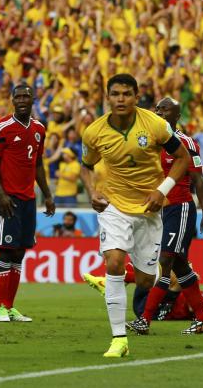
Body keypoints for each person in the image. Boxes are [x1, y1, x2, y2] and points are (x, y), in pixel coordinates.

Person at [79, 73, 192, 358]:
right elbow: (86, 166)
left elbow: (183, 159)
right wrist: (92, 191)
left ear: (136, 96)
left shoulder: (155, 125)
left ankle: (130, 278)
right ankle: (119, 339)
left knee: (145, 281)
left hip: (149, 209)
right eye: (115, 94)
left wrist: (162, 190)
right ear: (108, 97)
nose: (121, 99)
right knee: (114, 261)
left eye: (126, 94)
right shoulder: (94, 132)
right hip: (113, 205)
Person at [126, 97, 203, 335]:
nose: (159, 112)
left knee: (165, 262)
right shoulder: (150, 142)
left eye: (165, 109)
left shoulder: (186, 143)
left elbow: (198, 180)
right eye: (157, 109)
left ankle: (145, 319)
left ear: (177, 115)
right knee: (178, 266)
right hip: (157, 212)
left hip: (180, 208)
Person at [0, 83, 55, 323]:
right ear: (12, 100)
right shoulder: (1, 127)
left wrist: (47, 194)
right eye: (19, 97)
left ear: (33, 99)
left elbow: (37, 163)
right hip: (8, 197)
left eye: (27, 96)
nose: (23, 100)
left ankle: (10, 306)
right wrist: (1, 193)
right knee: (6, 249)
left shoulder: (38, 129)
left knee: (19, 252)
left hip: (29, 198)